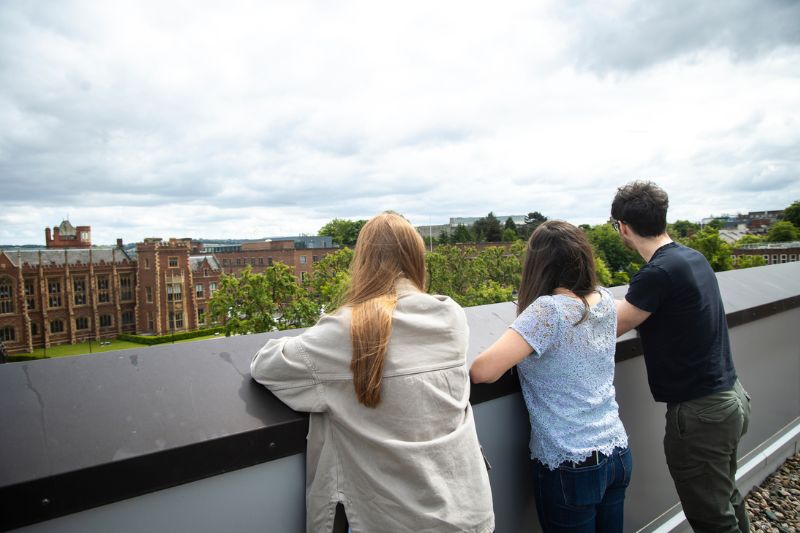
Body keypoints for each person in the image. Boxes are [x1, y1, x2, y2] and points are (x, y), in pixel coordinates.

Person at [250, 211, 494, 533]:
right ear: (416, 258)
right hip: (467, 513)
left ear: (362, 262)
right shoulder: (451, 315)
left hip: (391, 521)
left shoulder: (346, 331)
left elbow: (267, 366)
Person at [471, 220, 631, 533]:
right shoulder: (605, 300)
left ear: (538, 264)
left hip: (571, 464)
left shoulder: (549, 311)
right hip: (617, 451)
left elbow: (482, 371)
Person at [612, 181, 751, 533]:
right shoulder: (691, 257)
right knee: (726, 498)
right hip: (730, 397)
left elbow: (613, 325)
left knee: (711, 518)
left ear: (623, 227)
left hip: (701, 415)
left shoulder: (656, 273)